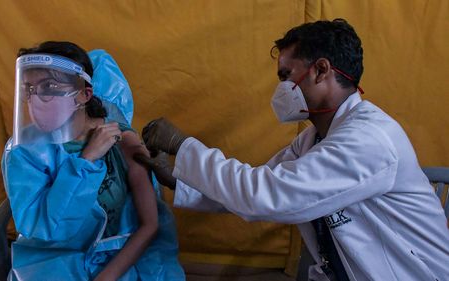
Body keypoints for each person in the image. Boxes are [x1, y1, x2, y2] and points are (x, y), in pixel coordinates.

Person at [135, 19, 449, 281]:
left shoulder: (369, 138)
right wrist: (181, 181)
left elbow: (265, 196)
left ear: (322, 70)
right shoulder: (314, 138)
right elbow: (255, 185)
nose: (281, 88)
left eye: (286, 76)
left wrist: (183, 146)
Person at [2, 41, 185, 281]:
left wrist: (104, 278)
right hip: (55, 261)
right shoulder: (26, 152)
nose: (35, 100)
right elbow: (46, 230)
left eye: (48, 86)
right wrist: (86, 160)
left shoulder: (120, 140)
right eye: (29, 89)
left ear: (84, 94)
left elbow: (149, 225)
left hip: (124, 257)